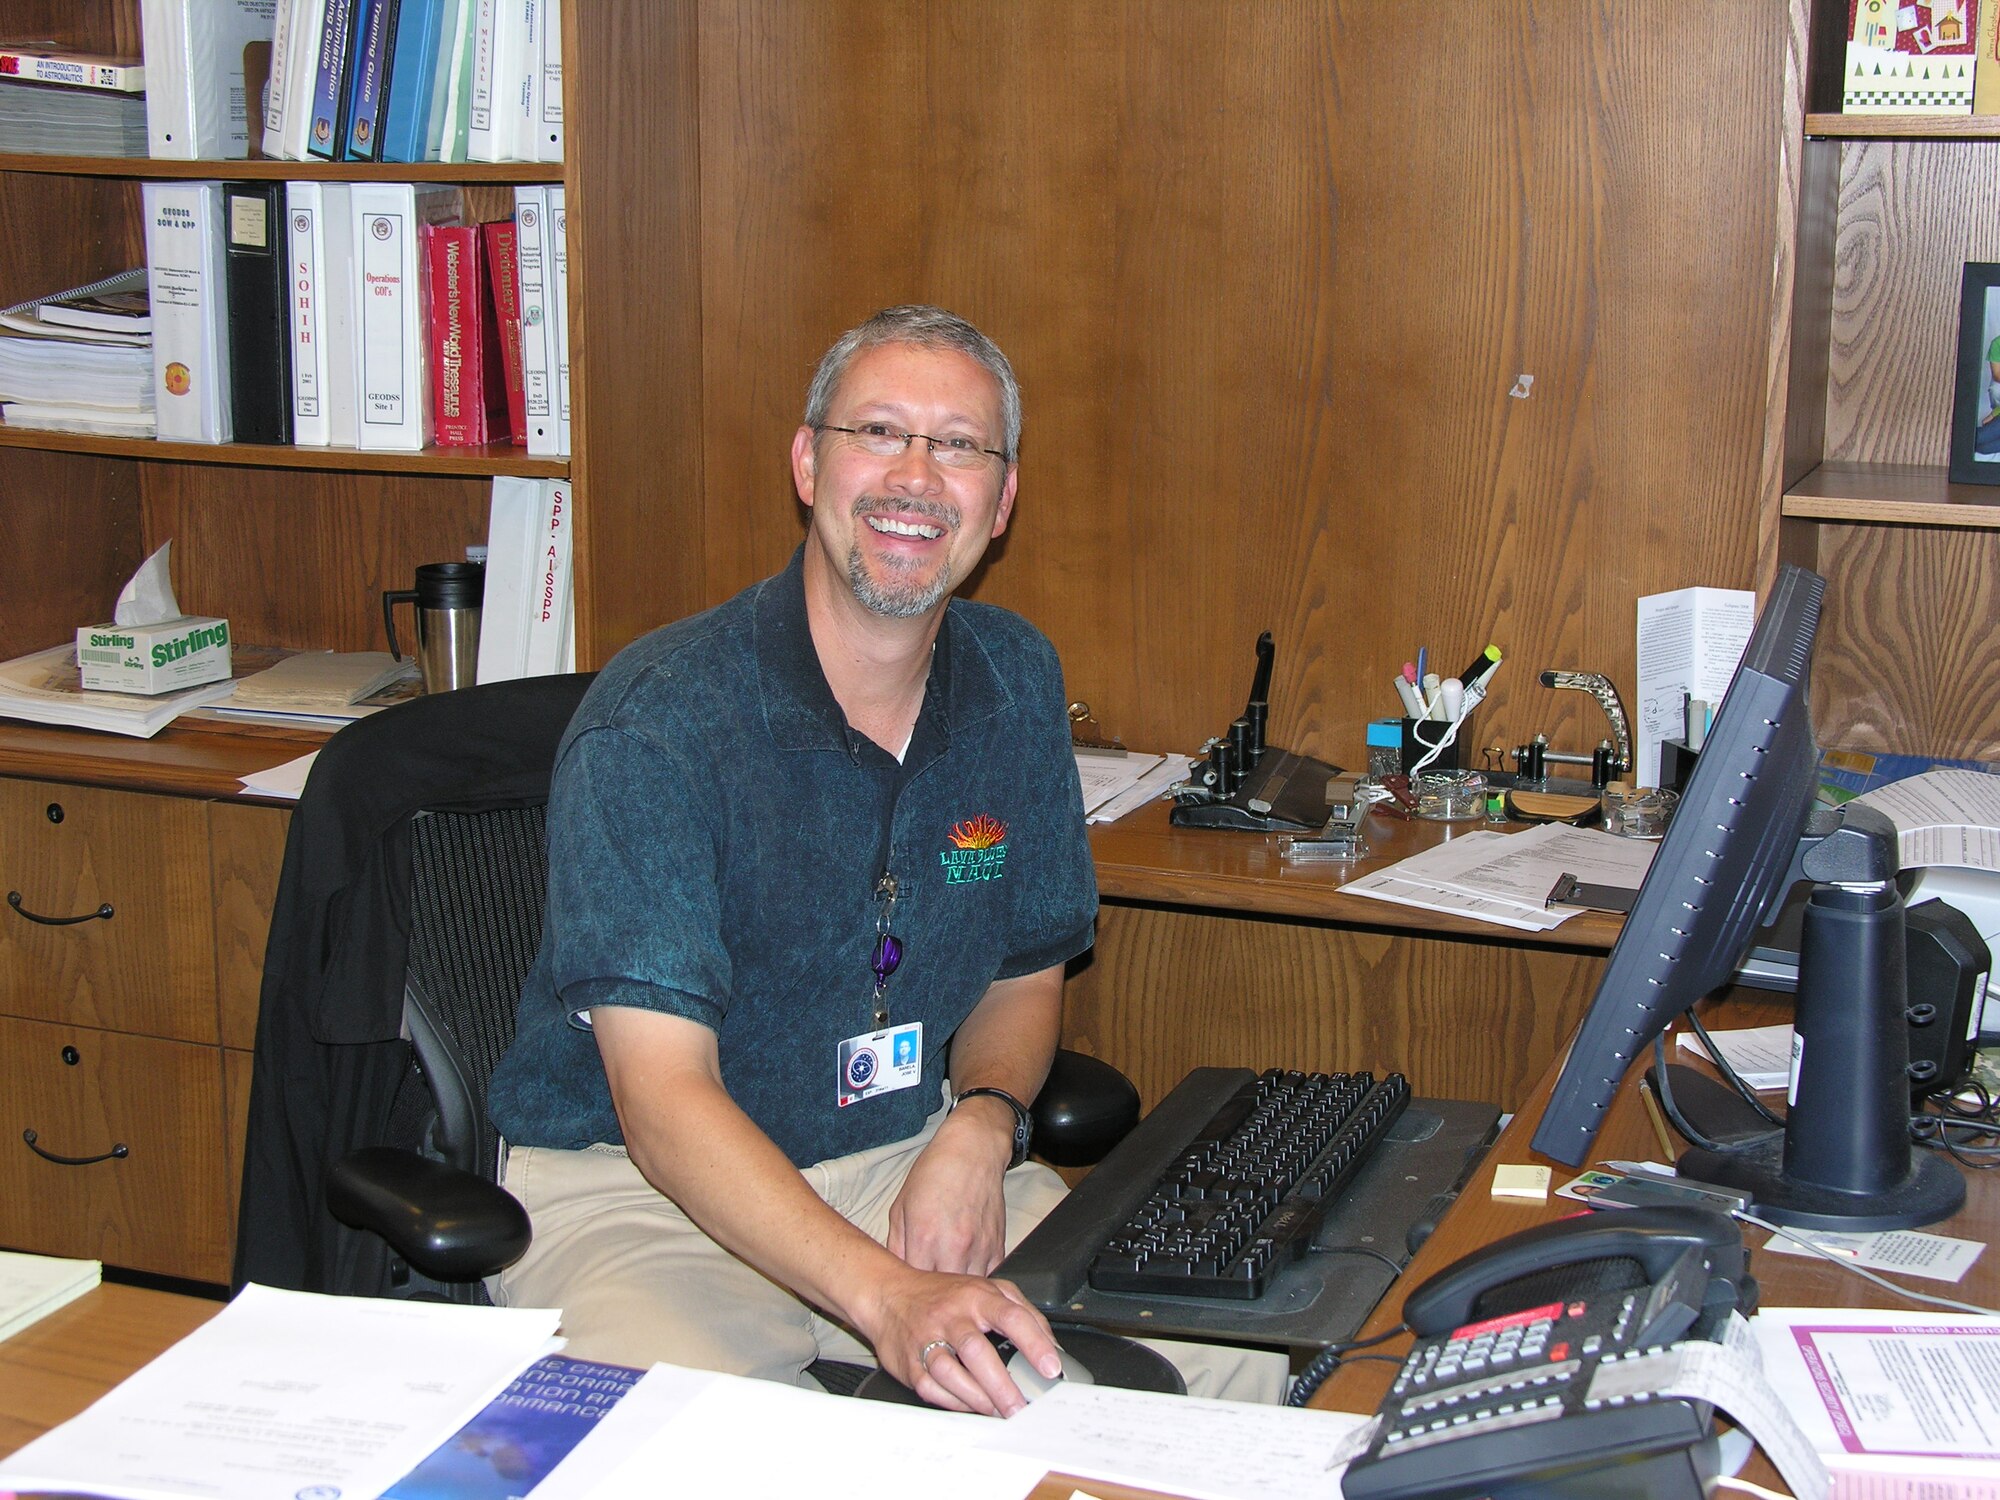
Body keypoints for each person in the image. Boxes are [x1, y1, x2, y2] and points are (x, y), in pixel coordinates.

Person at [486, 305, 1284, 1416]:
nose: (916, 476)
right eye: (877, 433)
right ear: (809, 464)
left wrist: (981, 1121)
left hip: (893, 1154)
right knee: (718, 1447)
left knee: (1231, 1360)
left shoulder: (1011, 680)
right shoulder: (662, 724)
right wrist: (889, 1296)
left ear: (998, 504)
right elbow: (662, 1100)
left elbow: (1021, 971)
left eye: (958, 445)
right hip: (639, 1190)